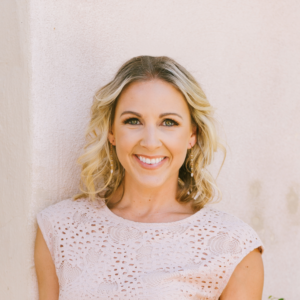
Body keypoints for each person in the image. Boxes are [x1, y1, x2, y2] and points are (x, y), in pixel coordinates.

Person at [35, 56, 264, 300]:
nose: (150, 142)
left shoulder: (233, 245)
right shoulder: (59, 227)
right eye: (133, 121)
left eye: (169, 122)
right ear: (112, 132)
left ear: (192, 135)